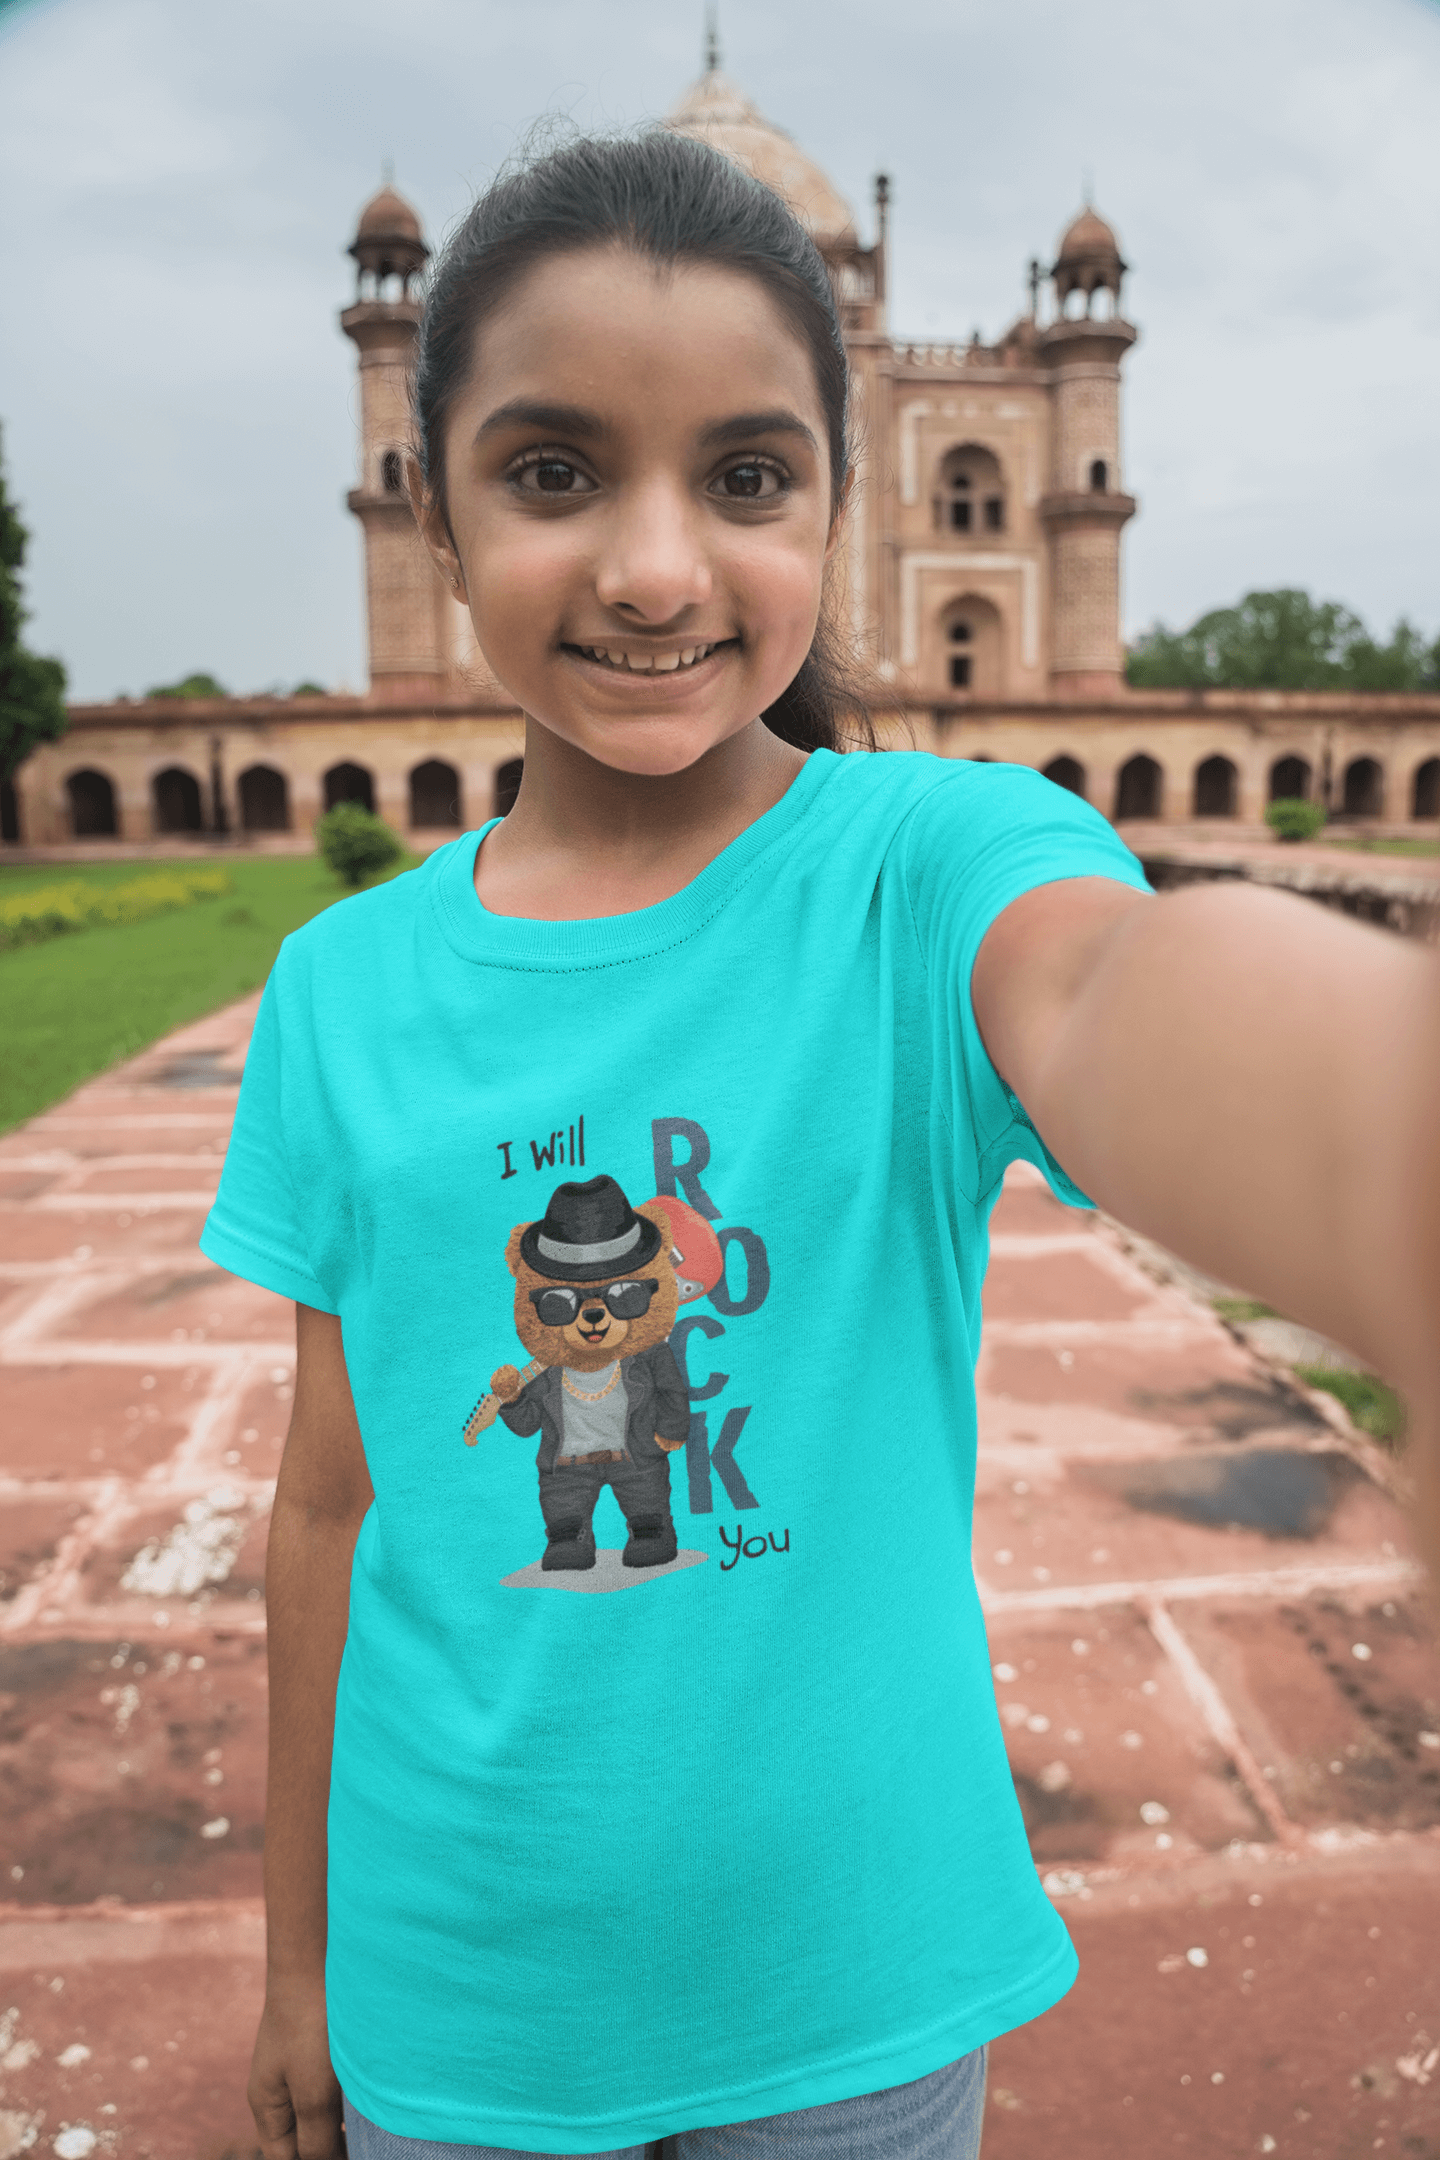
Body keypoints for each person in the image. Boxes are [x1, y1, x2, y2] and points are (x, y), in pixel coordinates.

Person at [201, 128, 1440, 2160]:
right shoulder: (343, 990)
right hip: (458, 1985)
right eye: (553, 469)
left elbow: (1126, 1007)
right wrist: (293, 1968)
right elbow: (331, 1514)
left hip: (847, 1978)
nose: (658, 569)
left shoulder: (928, 870)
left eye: (749, 477)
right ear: (428, 506)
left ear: (847, 504)